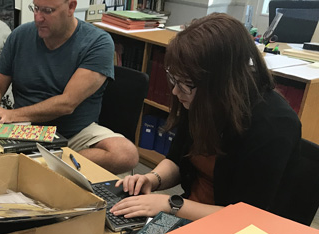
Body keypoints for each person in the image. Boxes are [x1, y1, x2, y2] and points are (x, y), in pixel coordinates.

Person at [110, 13, 302, 222]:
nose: (175, 91)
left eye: (184, 84)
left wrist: (169, 204)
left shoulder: (273, 126)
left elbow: (245, 216)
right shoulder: (200, 98)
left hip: (236, 233)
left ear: (220, 83)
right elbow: (176, 160)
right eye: (174, 79)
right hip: (189, 215)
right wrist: (151, 179)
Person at [0, 0, 139, 174]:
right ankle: (47, 165)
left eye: (47, 11)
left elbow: (67, 103)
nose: (38, 18)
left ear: (71, 7)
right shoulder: (20, 35)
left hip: (74, 132)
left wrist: (12, 114)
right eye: (36, 8)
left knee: (125, 153)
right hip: (24, 128)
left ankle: (47, 166)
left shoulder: (97, 42)